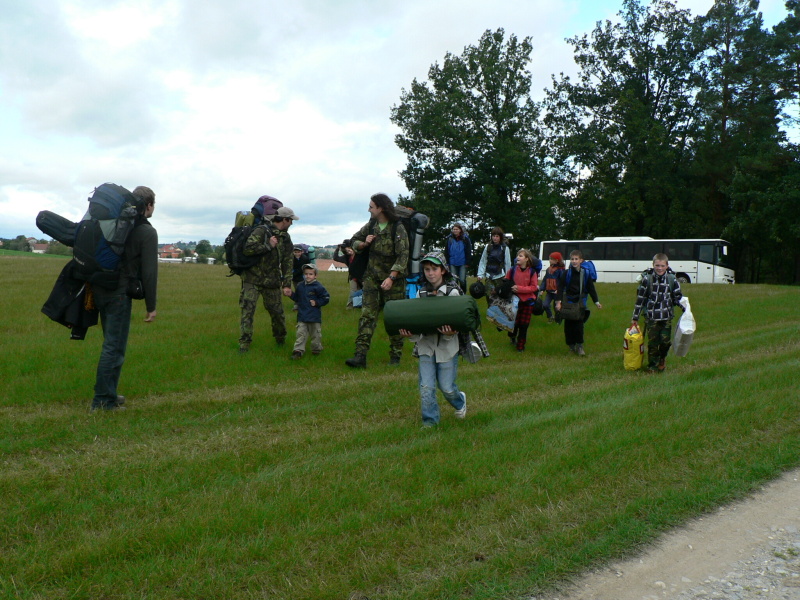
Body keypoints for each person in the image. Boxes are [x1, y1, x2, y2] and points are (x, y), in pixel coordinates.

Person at [91, 186, 158, 411]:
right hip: (119, 293)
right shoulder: (146, 232)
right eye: (153, 205)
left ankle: (109, 394)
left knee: (111, 344)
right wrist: (151, 306)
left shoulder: (114, 223)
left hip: (100, 286)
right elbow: (149, 272)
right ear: (148, 205)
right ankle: (102, 401)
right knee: (114, 347)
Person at [399, 251, 467, 427]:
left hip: (447, 348)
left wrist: (451, 333)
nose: (430, 273)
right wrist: (411, 335)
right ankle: (430, 422)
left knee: (447, 387)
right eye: (427, 269)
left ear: (443, 270)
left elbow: (459, 322)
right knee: (426, 388)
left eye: (434, 269)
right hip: (426, 347)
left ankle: (460, 401)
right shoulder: (420, 294)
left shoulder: (452, 294)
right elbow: (417, 323)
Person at [345, 193, 409, 369]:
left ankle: (395, 356)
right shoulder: (371, 225)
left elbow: (403, 255)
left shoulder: (397, 228)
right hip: (372, 277)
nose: (369, 210)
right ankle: (360, 356)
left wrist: (391, 277)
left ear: (380, 208)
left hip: (394, 281)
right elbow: (353, 240)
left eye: (371, 206)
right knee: (367, 316)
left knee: (394, 317)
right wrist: (363, 244)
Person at [238, 206, 299, 353]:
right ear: (285, 220)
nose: (292, 223)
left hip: (272, 281)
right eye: (291, 220)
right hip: (252, 279)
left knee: (277, 313)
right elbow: (248, 249)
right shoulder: (262, 231)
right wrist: (268, 246)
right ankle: (244, 344)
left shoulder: (286, 238)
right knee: (247, 312)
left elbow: (288, 262)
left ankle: (280, 340)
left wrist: (287, 284)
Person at [631, 253, 683, 373]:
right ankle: (652, 366)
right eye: (657, 265)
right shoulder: (647, 279)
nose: (659, 268)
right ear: (653, 265)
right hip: (651, 316)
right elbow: (640, 299)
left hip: (666, 316)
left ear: (667, 266)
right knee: (653, 342)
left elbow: (678, 296)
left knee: (665, 342)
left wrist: (683, 307)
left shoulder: (672, 279)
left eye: (662, 266)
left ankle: (662, 359)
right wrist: (635, 317)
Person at [555, 249, 603, 356]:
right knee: (568, 326)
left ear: (581, 260)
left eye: (576, 259)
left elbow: (591, 288)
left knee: (579, 325)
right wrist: (558, 302)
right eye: (572, 259)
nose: (574, 261)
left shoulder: (585, 273)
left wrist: (596, 302)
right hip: (568, 303)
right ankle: (571, 346)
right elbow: (560, 288)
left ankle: (580, 345)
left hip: (580, 303)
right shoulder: (566, 273)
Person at [290, 264, 330, 359]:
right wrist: (290, 294)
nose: (308, 276)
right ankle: (298, 351)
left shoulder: (318, 287)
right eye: (306, 274)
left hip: (314, 317)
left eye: (310, 274)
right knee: (301, 334)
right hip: (302, 316)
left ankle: (316, 349)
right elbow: (297, 298)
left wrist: (317, 302)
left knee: (316, 335)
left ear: (315, 275)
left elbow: (326, 298)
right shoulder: (300, 286)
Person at [505, 249, 539, 352]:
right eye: (517, 256)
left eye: (520, 256)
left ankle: (520, 346)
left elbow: (534, 287)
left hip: (527, 301)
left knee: (524, 325)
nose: (518, 258)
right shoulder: (512, 270)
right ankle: (512, 336)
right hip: (514, 301)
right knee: (514, 323)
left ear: (527, 259)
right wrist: (509, 287)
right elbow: (506, 281)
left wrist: (520, 289)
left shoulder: (532, 272)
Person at [476, 227, 512, 306]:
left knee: (500, 296)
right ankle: (490, 311)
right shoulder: (488, 247)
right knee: (489, 296)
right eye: (493, 236)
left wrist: (508, 277)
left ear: (500, 237)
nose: (495, 238)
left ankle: (500, 312)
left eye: (497, 236)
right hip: (489, 275)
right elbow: (483, 261)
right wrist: (480, 274)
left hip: (500, 276)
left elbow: (507, 263)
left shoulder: (505, 248)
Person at [333, 239, 362, 309]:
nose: (348, 251)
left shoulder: (359, 255)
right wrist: (337, 249)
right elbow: (336, 258)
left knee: (361, 292)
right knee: (353, 291)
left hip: (361, 277)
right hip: (353, 277)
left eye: (349, 249)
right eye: (347, 250)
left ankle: (358, 305)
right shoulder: (346, 257)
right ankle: (349, 306)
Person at [444, 223, 472, 291]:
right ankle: (455, 293)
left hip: (462, 262)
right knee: (454, 280)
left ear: (460, 230)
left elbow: (468, 251)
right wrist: (447, 263)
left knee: (462, 280)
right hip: (452, 262)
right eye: (454, 229)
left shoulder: (465, 239)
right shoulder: (449, 239)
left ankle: (463, 292)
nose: (455, 231)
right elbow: (446, 251)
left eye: (456, 229)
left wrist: (468, 262)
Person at [539, 251, 565, 323]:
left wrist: (559, 290)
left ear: (557, 260)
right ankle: (550, 316)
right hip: (549, 292)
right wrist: (542, 289)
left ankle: (558, 320)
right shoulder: (548, 269)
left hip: (557, 292)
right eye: (549, 259)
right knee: (545, 305)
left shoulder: (561, 270)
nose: (549, 260)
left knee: (557, 307)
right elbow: (545, 280)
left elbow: (563, 282)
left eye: (551, 259)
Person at [291, 245, 310, 310]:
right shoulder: (291, 259)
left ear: (302, 252)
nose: (297, 254)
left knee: (303, 291)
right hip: (295, 278)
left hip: (303, 278)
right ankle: (298, 305)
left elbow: (305, 268)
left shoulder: (305, 259)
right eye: (295, 252)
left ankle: (300, 305)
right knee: (297, 291)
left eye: (298, 252)